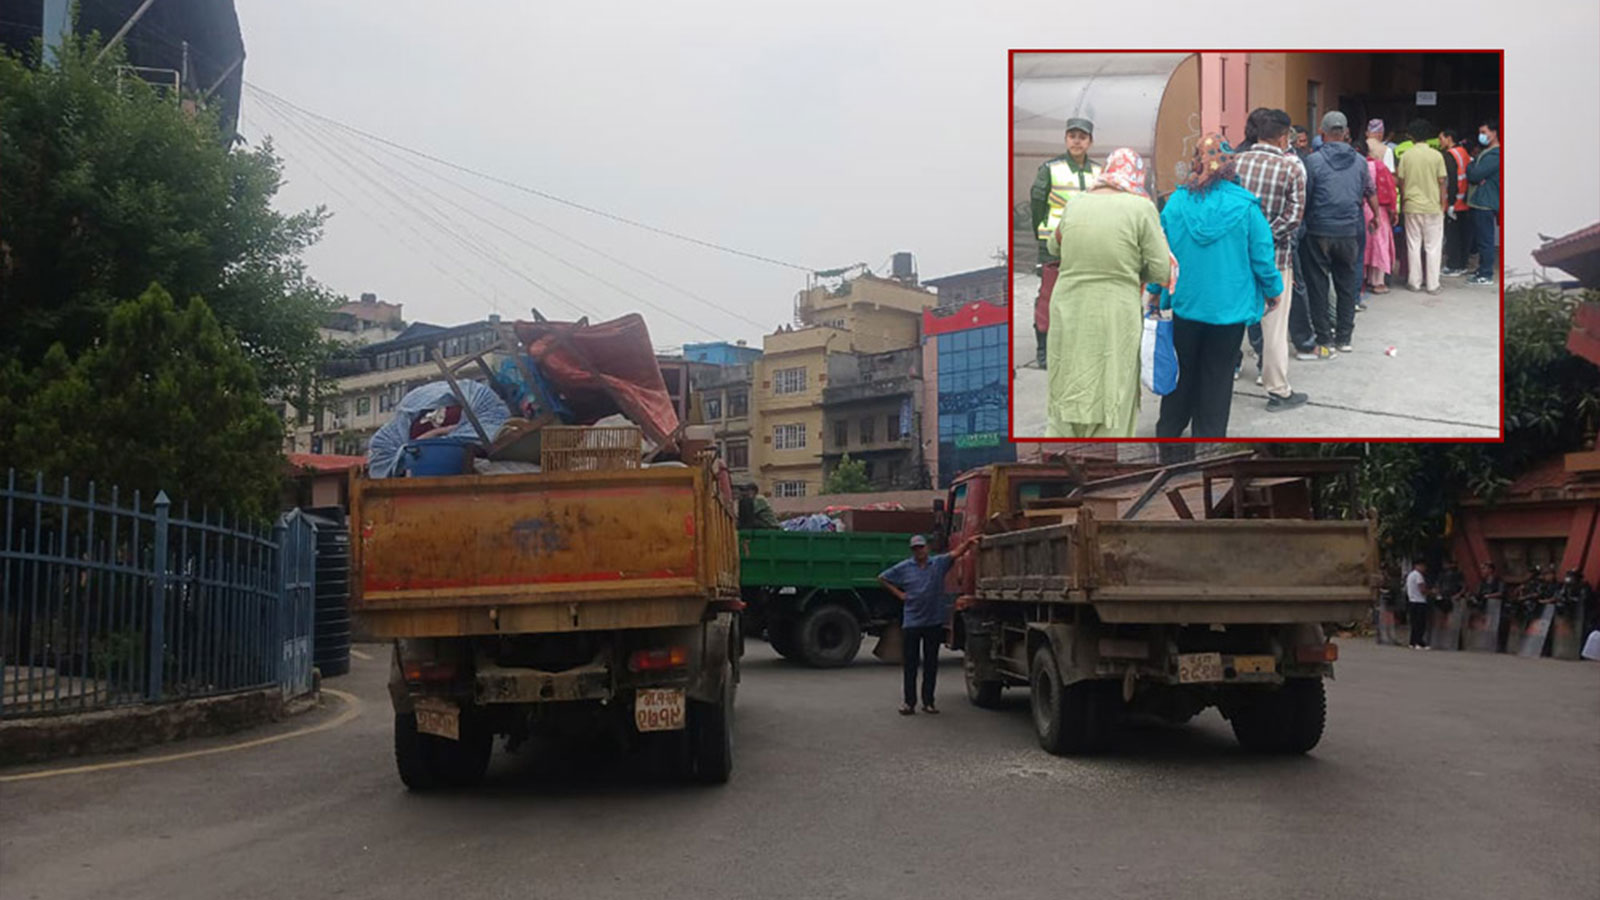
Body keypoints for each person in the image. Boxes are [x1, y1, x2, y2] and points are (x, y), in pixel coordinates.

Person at [1154, 134, 1283, 438]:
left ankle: (1169, 434)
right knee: (1218, 376)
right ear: (1230, 166)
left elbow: (1162, 256)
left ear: (1197, 162)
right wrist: (1273, 290)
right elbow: (1262, 256)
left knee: (1181, 372)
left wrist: (1157, 294)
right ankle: (1209, 439)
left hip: (1186, 305)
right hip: (1230, 311)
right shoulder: (1246, 207)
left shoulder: (1175, 204)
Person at [1044, 147, 1172, 438]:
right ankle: (1105, 443)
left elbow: (1054, 247)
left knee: (1067, 374)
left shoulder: (1076, 202)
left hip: (1068, 306)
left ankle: (1065, 437)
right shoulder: (1141, 208)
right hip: (1115, 308)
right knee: (1114, 378)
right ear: (1137, 174)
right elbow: (1161, 269)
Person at [1234, 108, 1309, 412]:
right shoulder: (1291, 168)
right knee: (1274, 327)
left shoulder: (1234, 163)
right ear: (1282, 137)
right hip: (1276, 260)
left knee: (1232, 322)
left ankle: (1223, 375)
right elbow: (1293, 218)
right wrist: (1263, 238)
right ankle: (1277, 389)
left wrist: (1247, 239)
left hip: (1235, 259)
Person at [1030, 117, 1105, 369]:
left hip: (1087, 245)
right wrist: (1044, 235)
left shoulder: (1098, 172)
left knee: (1084, 295)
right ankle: (1045, 348)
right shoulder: (1050, 169)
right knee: (1049, 297)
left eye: (1082, 137)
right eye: (1072, 136)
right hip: (1054, 244)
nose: (1076, 141)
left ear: (1090, 142)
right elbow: (1037, 205)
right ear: (1065, 139)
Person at [877, 533, 980, 715]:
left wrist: (969, 543)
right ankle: (909, 703)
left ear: (927, 548)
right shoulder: (904, 567)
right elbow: (883, 578)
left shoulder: (938, 564)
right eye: (915, 548)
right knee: (910, 665)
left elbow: (955, 553)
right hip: (912, 623)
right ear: (912, 551)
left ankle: (929, 702)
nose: (919, 551)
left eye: (921, 547)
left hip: (933, 621)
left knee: (931, 664)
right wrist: (900, 594)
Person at [1302, 111, 1378, 356]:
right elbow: (1369, 191)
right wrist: (1376, 216)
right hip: (1349, 230)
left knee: (1318, 285)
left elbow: (1306, 197)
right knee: (1346, 285)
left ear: (1322, 134)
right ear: (1345, 133)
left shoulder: (1313, 162)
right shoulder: (1360, 162)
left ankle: (1324, 338)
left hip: (1318, 230)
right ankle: (1344, 338)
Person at [1396, 118, 1450, 295]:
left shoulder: (1406, 156)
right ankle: (1433, 284)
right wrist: (1443, 203)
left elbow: (1401, 182)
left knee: (1413, 244)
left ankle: (1414, 282)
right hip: (1433, 206)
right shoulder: (1437, 156)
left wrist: (1405, 200)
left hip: (1411, 206)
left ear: (1411, 136)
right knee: (1433, 246)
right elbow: (1442, 182)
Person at [1356, 137, 1398, 297]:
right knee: (1379, 245)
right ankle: (1378, 282)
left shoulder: (1354, 166)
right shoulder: (1379, 167)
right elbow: (1390, 190)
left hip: (1359, 210)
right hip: (1378, 210)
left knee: (1362, 245)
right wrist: (1394, 211)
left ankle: (1361, 280)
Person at [1466, 120, 1500, 286]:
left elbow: (1473, 174)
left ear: (1494, 133)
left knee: (1486, 240)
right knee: (1481, 240)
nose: (1482, 136)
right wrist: (1473, 168)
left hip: (1485, 202)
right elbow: (1473, 169)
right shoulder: (1487, 153)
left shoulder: (1496, 155)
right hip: (1478, 201)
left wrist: (1472, 168)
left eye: (1484, 132)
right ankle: (1481, 270)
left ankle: (1486, 273)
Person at [1439, 129, 1475, 276]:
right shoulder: (1463, 152)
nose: (1440, 141)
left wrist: (1451, 203)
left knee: (1453, 235)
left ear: (1449, 138)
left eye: (1441, 138)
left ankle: (1454, 265)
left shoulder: (1450, 155)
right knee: (1463, 234)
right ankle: (1462, 263)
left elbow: (1451, 180)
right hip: (1464, 200)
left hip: (1454, 201)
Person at [1405, 560, 1430, 649]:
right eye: (1423, 566)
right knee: (1420, 624)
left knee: (1414, 623)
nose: (1424, 568)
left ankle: (1412, 642)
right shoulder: (1418, 576)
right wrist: (1431, 592)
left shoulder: (1410, 575)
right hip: (1419, 602)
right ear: (1418, 565)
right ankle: (1419, 642)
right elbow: (1422, 589)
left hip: (1411, 601)